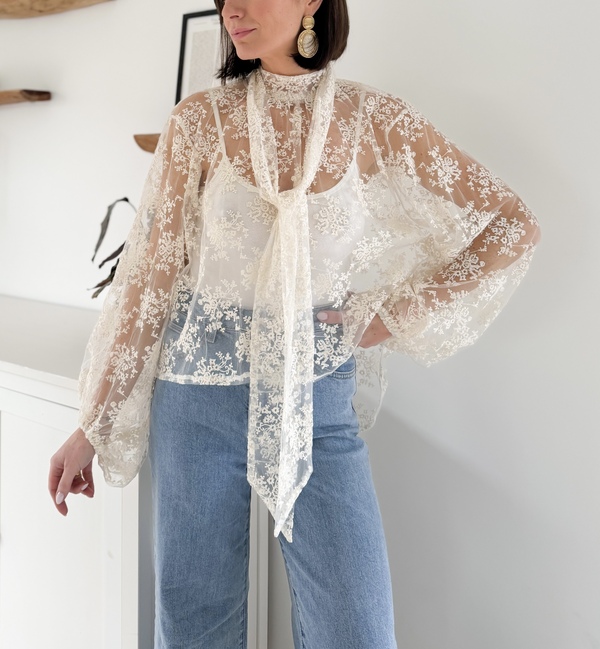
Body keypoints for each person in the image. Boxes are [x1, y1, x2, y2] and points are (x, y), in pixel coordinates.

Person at [49, 0, 541, 646]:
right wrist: (94, 422)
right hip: (196, 397)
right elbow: (148, 281)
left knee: (357, 627)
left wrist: (388, 316)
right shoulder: (198, 122)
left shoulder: (373, 120)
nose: (233, 9)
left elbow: (511, 224)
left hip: (318, 401)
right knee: (194, 626)